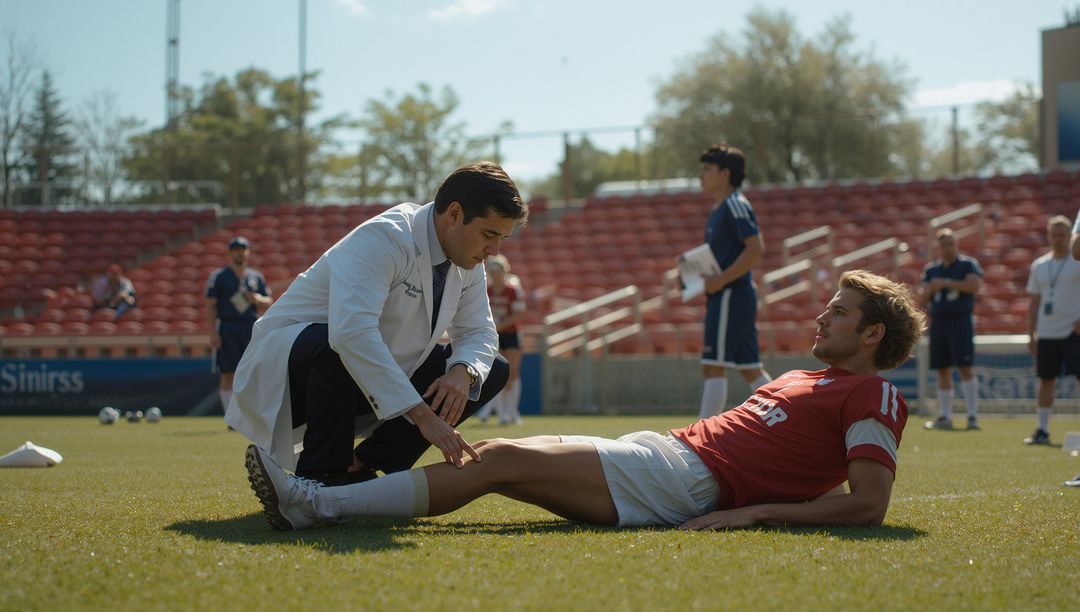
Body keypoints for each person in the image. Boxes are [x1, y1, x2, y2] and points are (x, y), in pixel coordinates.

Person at [244, 270, 926, 532]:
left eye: (840, 313)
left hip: (688, 480)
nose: (822, 318)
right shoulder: (801, 378)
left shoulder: (873, 392)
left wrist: (752, 514)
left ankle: (317, 501)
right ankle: (330, 491)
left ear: (873, 335)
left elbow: (868, 504)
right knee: (493, 455)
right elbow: (800, 468)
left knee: (493, 461)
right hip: (667, 454)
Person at [226, 161, 528, 487]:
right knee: (334, 343)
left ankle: (360, 465)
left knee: (489, 369)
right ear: (454, 213)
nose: (494, 250)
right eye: (489, 235)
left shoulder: (469, 260)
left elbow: (480, 332)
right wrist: (423, 416)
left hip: (368, 381)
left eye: (502, 238)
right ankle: (319, 479)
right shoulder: (385, 237)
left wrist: (463, 370)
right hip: (290, 380)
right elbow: (351, 334)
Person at [693, 143, 771, 420]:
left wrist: (720, 281)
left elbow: (755, 248)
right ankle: (786, 419)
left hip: (730, 295)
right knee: (750, 369)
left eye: (707, 169)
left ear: (725, 174)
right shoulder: (719, 209)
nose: (701, 175)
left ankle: (702, 434)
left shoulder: (735, 204)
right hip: (731, 295)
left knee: (712, 367)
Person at [920, 228, 984, 431]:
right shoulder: (932, 270)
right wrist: (931, 288)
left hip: (960, 321)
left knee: (965, 367)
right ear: (938, 248)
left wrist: (947, 283)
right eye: (943, 245)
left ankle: (972, 416)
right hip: (939, 322)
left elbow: (974, 285)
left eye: (950, 244)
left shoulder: (967, 264)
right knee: (942, 369)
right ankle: (945, 416)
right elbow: (921, 299)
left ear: (957, 245)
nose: (947, 248)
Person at [1024, 215, 1080, 445]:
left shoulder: (1077, 261)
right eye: (1054, 235)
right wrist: (1031, 333)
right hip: (1047, 332)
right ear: (1049, 236)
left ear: (1070, 236)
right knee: (1046, 380)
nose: (1058, 239)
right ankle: (1043, 429)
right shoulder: (1039, 265)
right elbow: (1034, 302)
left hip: (1073, 332)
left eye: (1062, 235)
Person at [205, 236, 273, 413]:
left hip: (250, 325)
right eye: (236, 250)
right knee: (228, 372)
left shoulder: (256, 277)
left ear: (248, 252)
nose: (239, 253)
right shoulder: (219, 277)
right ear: (229, 253)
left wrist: (257, 299)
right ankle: (230, 415)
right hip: (227, 326)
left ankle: (251, 414)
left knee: (253, 371)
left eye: (243, 250)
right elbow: (211, 305)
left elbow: (269, 301)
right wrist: (212, 332)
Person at [475, 255, 526, 425]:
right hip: (492, 333)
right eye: (492, 271)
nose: (494, 274)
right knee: (493, 373)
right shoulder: (485, 289)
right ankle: (500, 412)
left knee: (512, 373)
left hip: (510, 333)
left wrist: (497, 327)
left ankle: (512, 411)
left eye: (497, 270)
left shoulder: (513, 290)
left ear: (504, 271)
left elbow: (518, 314)